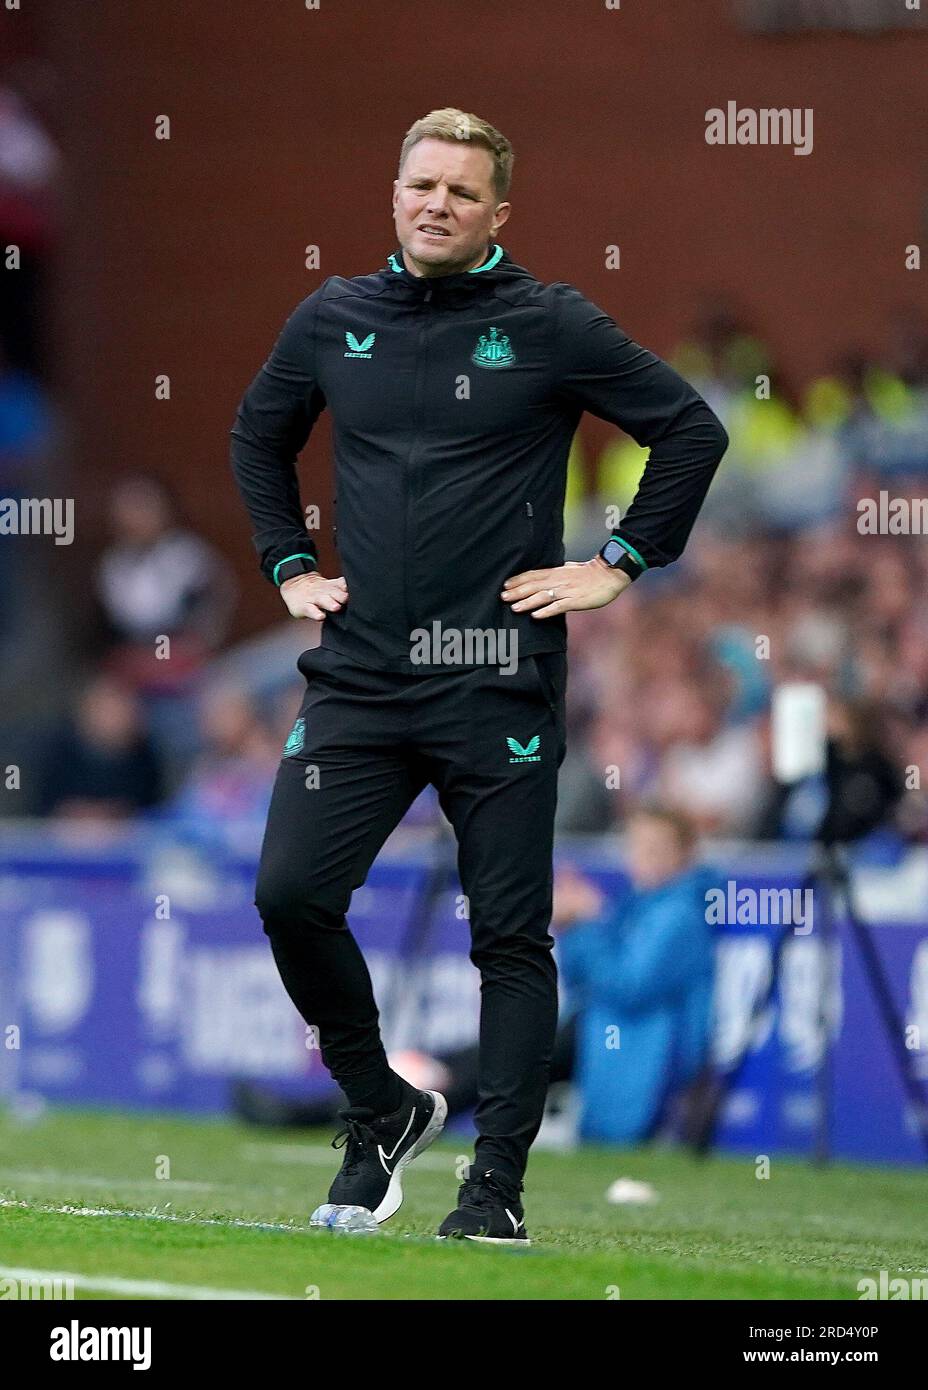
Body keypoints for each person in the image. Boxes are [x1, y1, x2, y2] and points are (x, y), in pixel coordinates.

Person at [230, 107, 728, 1242]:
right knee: (289, 894)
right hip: (358, 674)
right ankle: (382, 1109)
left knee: (508, 936)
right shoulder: (332, 315)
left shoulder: (549, 322)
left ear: (498, 212)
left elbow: (689, 430)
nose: (435, 204)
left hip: (497, 674)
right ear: (393, 192)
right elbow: (258, 436)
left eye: (460, 190)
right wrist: (288, 562)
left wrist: (616, 564)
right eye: (420, 185)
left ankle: (491, 1189)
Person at [554, 807, 716, 1145]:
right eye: (638, 848)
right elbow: (579, 980)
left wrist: (589, 922)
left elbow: (629, 986)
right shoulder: (636, 903)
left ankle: (441, 1085)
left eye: (657, 849)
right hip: (612, 1032)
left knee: (531, 1048)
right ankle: (441, 1081)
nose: (645, 859)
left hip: (650, 1046)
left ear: (686, 854)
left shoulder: (679, 914)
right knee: (532, 1042)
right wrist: (574, 926)